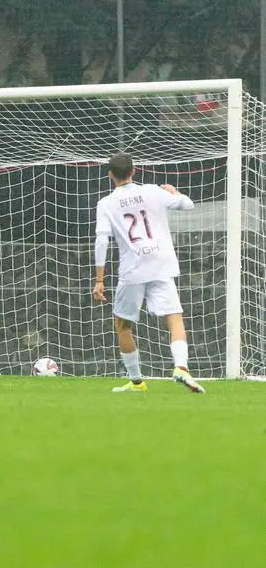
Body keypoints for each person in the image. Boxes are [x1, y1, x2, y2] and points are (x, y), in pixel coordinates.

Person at [92, 153, 205, 393]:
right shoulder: (154, 191)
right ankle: (181, 367)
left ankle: (137, 381)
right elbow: (188, 204)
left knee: (122, 325)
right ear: (134, 171)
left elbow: (101, 241)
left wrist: (99, 279)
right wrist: (174, 193)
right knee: (174, 317)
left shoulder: (106, 203)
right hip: (161, 263)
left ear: (110, 175)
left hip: (133, 268)